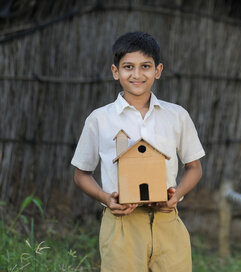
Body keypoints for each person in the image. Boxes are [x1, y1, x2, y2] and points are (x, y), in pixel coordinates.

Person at [71, 32, 205, 271]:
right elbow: (81, 174)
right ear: (115, 72)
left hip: (168, 223)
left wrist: (176, 195)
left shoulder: (176, 116)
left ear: (158, 70)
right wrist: (106, 199)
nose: (136, 74)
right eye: (128, 67)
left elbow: (194, 168)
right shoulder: (100, 119)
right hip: (122, 225)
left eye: (145, 66)